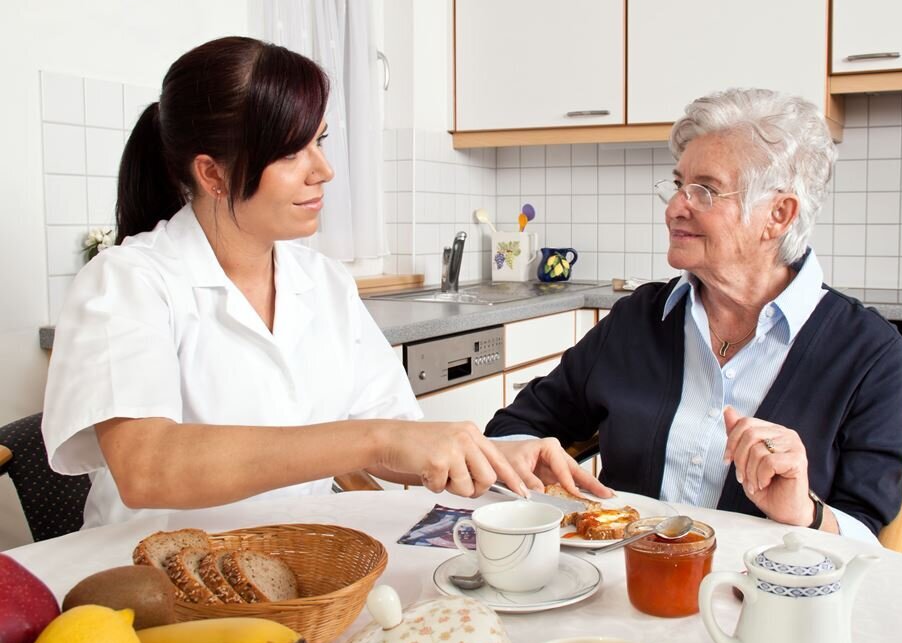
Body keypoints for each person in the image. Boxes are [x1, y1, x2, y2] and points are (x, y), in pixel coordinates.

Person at [42, 36, 596, 529]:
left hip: (297, 574)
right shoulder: (126, 282)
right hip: (158, 590)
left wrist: (496, 455)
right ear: (212, 173)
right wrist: (373, 439)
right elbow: (149, 467)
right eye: (290, 152)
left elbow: (396, 440)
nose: (323, 170)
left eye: (321, 141)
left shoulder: (322, 282)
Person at [489, 89, 902, 540]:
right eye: (678, 185)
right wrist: (531, 463)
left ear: (778, 214)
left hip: (758, 599)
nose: (675, 208)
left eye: (705, 191)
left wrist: (805, 512)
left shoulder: (868, 351)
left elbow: (868, 535)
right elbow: (515, 427)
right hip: (625, 586)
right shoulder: (638, 320)